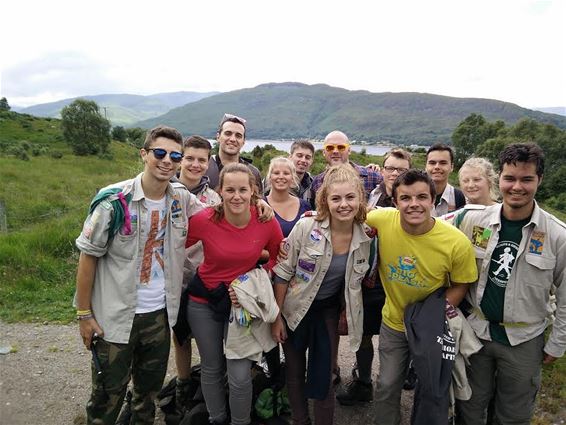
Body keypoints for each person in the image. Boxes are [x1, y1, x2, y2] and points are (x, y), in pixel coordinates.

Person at [75, 125, 205, 424]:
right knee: (107, 398)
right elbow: (88, 257)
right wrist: (84, 314)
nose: (167, 161)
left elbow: (216, 215)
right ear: (144, 154)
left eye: (175, 155)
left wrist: (260, 206)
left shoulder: (181, 198)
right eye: (160, 153)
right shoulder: (114, 202)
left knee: (146, 397)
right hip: (114, 316)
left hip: (158, 315)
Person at [454, 143, 566, 425]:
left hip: (524, 340)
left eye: (526, 179)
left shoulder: (557, 235)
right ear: (499, 179)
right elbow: (431, 232)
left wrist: (556, 344)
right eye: (510, 178)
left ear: (539, 180)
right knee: (468, 406)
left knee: (512, 415)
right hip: (476, 334)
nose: (517, 187)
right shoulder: (471, 220)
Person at [366, 169, 478, 425]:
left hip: (431, 327)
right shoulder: (382, 219)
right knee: (386, 385)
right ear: (395, 203)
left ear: (433, 200)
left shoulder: (455, 242)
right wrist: (315, 216)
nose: (414, 204)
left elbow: (462, 283)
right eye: (405, 198)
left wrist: (434, 314)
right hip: (394, 322)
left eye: (421, 197)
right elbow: (350, 215)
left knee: (431, 389)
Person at [271, 164, 372, 425]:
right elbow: (283, 272)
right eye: (336, 198)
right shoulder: (306, 228)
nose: (344, 205)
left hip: (326, 312)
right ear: (325, 200)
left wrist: (344, 312)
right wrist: (277, 317)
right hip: (294, 310)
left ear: (360, 197)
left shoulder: (367, 237)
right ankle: (300, 420)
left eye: (350, 197)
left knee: (324, 375)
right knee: (294, 374)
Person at [186, 163, 283, 425]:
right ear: (220, 191)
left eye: (243, 189)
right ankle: (216, 418)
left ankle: (240, 422)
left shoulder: (264, 220)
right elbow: (174, 244)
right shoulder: (205, 219)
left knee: (239, 374)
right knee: (212, 366)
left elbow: (278, 259)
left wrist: (252, 282)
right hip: (204, 302)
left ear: (254, 191)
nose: (236, 196)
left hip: (242, 306)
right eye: (230, 189)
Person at [336, 148, 412, 405]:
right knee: (365, 332)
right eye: (390, 167)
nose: (394, 173)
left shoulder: (414, 199)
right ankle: (365, 382)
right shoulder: (372, 195)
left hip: (402, 279)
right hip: (371, 279)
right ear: (382, 169)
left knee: (401, 335)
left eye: (401, 169)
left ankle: (393, 385)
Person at [172, 135, 221, 414]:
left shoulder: (213, 198)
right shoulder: (165, 190)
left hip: (202, 279)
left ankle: (208, 381)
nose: (195, 164)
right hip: (172, 279)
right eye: (189, 158)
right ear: (180, 158)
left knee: (206, 335)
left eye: (201, 160)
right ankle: (183, 383)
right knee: (180, 337)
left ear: (208, 163)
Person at [309, 130, 382, 207]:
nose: (335, 151)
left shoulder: (373, 177)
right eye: (330, 148)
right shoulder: (317, 182)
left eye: (341, 147)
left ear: (349, 150)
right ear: (324, 152)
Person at [205, 113, 263, 193]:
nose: (232, 139)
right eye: (228, 133)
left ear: (243, 141)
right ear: (218, 137)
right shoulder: (204, 167)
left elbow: (257, 201)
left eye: (238, 136)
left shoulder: (253, 173)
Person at [265, 156, 311, 237]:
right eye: (276, 173)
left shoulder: (305, 206)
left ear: (292, 178)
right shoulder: (260, 205)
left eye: (286, 173)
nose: (281, 177)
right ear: (269, 177)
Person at [425, 143, 466, 215]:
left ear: (451, 167)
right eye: (432, 163)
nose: (437, 167)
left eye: (443, 163)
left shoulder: (459, 197)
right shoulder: (413, 195)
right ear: (426, 166)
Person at [288, 139, 316, 204]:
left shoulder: (313, 185)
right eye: (299, 156)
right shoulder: (275, 180)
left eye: (307, 157)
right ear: (290, 157)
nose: (303, 160)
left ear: (311, 161)